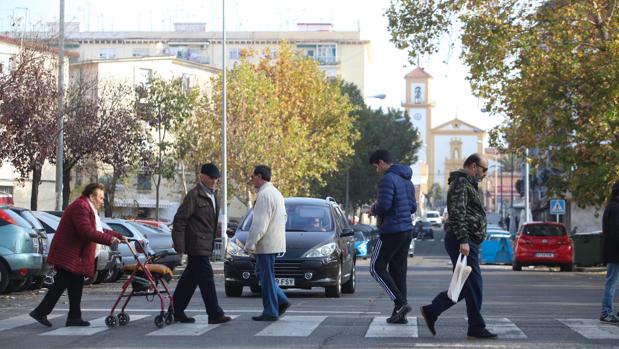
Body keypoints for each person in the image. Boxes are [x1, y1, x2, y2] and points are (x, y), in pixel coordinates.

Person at [420, 154, 498, 339]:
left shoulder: (467, 183)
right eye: (484, 169)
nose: (485, 174)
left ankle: (433, 311)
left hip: (465, 240)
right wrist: (463, 240)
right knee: (474, 285)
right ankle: (476, 326)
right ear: (473, 166)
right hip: (461, 240)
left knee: (465, 285)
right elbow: (457, 212)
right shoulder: (461, 183)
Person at [30, 183, 128, 327]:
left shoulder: (87, 208)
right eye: (100, 197)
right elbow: (86, 231)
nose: (102, 201)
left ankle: (74, 317)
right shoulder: (81, 207)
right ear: (91, 196)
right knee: (62, 283)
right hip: (69, 254)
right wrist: (109, 239)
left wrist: (118, 235)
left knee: (75, 285)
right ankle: (41, 312)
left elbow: (98, 230)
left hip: (75, 255)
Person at [171, 163, 231, 324]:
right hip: (196, 245)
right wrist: (179, 246)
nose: (214, 181)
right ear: (202, 176)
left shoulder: (214, 195)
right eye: (211, 177)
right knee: (207, 277)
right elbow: (180, 220)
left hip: (206, 244)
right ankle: (215, 313)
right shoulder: (194, 195)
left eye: (217, 178)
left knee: (190, 279)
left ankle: (175, 310)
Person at [368, 149, 417, 324]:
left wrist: (373, 209)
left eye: (376, 167)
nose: (376, 170)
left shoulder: (387, 179)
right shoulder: (407, 180)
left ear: (381, 163)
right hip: (406, 231)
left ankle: (400, 303)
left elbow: (384, 205)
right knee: (398, 272)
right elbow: (412, 208)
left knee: (376, 267)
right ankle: (400, 314)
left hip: (391, 231)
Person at [244, 165, 289, 321]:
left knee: (266, 277)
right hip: (274, 242)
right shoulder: (276, 193)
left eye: (253, 177)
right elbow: (284, 218)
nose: (252, 180)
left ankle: (271, 310)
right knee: (263, 275)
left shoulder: (264, 195)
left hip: (266, 244)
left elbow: (259, 224)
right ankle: (280, 300)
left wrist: (250, 244)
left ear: (260, 177)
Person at [600, 180, 619, 323]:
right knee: (611, 282)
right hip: (615, 251)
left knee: (612, 281)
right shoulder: (615, 208)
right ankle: (606, 312)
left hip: (613, 251)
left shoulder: (612, 206)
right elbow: (615, 232)